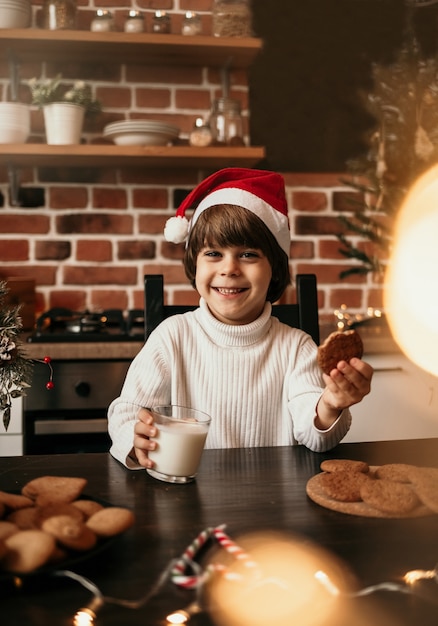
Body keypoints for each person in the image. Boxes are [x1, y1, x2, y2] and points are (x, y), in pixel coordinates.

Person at [108, 168, 373, 470]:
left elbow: (315, 435)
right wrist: (134, 436)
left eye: (248, 254)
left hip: (274, 503)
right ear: (195, 263)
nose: (229, 268)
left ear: (274, 267)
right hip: (186, 501)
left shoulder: (296, 347)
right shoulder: (171, 338)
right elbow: (126, 413)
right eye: (214, 254)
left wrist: (330, 404)